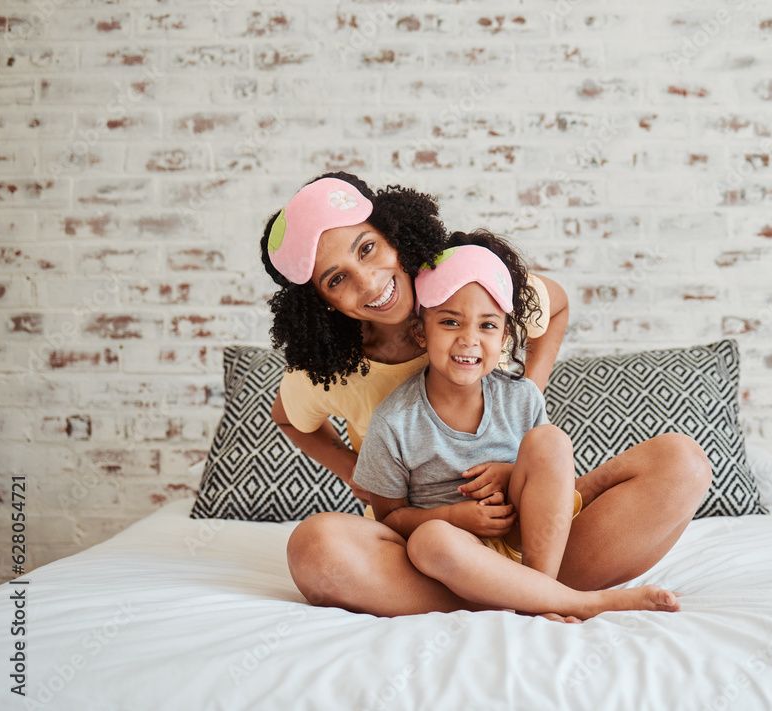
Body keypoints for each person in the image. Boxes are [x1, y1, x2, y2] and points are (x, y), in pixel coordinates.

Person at [265, 171, 713, 617]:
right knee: (314, 547)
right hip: (425, 553)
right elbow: (286, 417)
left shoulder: (468, 285)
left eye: (368, 248)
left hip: (535, 532)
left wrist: (523, 397)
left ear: (393, 233)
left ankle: (529, 588)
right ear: (322, 301)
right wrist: (360, 470)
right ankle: (550, 599)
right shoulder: (330, 369)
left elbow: (555, 305)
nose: (367, 282)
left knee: (684, 463)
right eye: (336, 279)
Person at [352, 239, 680, 619]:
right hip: (454, 556)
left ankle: (540, 595)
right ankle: (565, 601)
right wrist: (455, 518)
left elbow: (544, 472)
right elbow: (391, 519)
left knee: (557, 442)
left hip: (534, 543)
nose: (468, 338)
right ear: (420, 333)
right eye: (449, 321)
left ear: (504, 337)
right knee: (429, 540)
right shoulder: (394, 421)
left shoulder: (520, 397)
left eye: (487, 325)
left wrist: (509, 475)